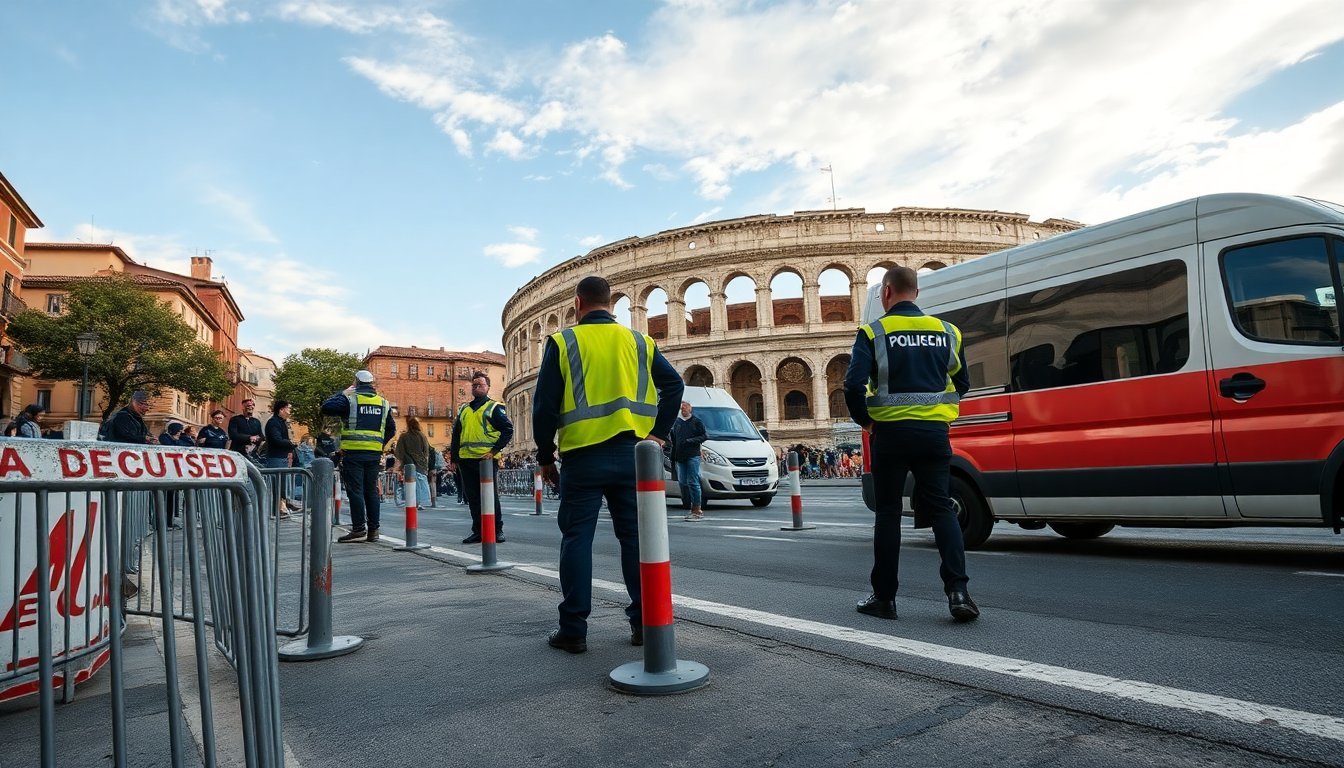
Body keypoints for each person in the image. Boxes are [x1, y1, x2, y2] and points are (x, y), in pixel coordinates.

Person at [534, 275, 684, 654]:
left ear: (578, 302)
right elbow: (674, 386)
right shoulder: (639, 341)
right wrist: (658, 434)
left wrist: (544, 455)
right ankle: (644, 625)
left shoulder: (564, 341)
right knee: (636, 541)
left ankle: (573, 630)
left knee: (577, 540)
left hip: (583, 457)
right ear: (610, 303)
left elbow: (545, 406)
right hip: (634, 455)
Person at [844, 265, 978, 623]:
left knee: (888, 513)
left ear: (886, 292)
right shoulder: (947, 331)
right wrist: (938, 410)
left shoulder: (873, 331)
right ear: (916, 293)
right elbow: (962, 381)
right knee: (942, 510)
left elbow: (852, 385)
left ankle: (884, 599)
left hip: (889, 434)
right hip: (934, 434)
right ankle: (959, 592)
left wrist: (867, 421)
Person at [321, 370, 395, 543]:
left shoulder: (350, 399)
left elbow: (326, 407)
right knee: (371, 491)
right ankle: (373, 531)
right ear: (371, 384)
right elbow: (391, 429)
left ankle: (358, 529)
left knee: (356, 491)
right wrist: (378, 444)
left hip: (353, 453)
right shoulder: (383, 403)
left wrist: (343, 392)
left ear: (356, 383)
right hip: (373, 454)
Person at [448, 371, 514, 544]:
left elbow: (508, 430)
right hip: (466, 460)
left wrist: (493, 451)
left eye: (480, 385)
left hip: (486, 461)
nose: (477, 387)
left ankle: (497, 530)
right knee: (473, 498)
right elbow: (456, 434)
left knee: (490, 496)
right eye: (474, 385)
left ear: (488, 387)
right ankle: (478, 531)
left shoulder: (494, 408)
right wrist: (454, 459)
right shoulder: (464, 409)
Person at [669, 400, 708, 521]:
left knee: (692, 481)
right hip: (680, 457)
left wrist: (691, 441)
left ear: (690, 408)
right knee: (682, 482)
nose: (683, 409)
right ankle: (689, 505)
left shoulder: (696, 421)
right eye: (682, 407)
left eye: (685, 407)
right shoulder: (677, 422)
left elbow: (704, 436)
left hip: (693, 455)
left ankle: (697, 509)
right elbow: (674, 440)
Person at [265, 400, 302, 513]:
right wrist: (291, 443)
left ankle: (283, 505)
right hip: (275, 457)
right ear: (281, 410)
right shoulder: (273, 423)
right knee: (277, 484)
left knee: (282, 484)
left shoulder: (282, 422)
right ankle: (277, 509)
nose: (290, 411)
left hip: (282, 457)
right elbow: (277, 440)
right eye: (288, 408)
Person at [393, 416, 433, 509]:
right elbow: (426, 452)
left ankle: (411, 502)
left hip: (408, 464)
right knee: (420, 485)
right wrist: (425, 465)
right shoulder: (422, 436)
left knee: (410, 484)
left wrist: (402, 461)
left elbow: (399, 451)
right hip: (420, 464)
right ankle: (418, 503)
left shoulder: (404, 436)